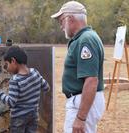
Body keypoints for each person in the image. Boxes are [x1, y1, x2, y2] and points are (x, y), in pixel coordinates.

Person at [51, 1, 105, 133]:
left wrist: (80, 118)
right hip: (82, 100)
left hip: (82, 101)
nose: (61, 26)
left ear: (71, 18)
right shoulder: (84, 38)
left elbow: (91, 80)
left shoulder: (86, 40)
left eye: (61, 21)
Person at [0, 46, 50, 133]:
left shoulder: (15, 80)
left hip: (19, 118)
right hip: (33, 115)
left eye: (7, 65)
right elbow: (46, 87)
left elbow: (11, 102)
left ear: (13, 61)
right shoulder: (34, 72)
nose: (7, 68)